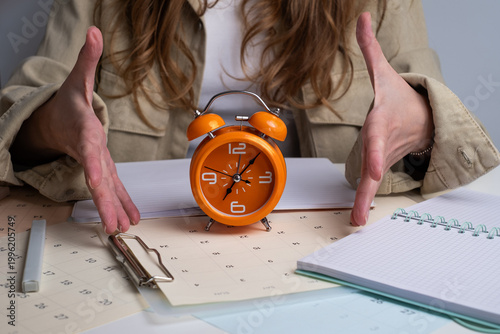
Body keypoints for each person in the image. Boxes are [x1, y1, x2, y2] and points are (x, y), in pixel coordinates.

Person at [1, 0, 498, 234]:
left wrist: (421, 121)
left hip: (319, 236)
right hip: (145, 232)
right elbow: (24, 111)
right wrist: (48, 125)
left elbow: (436, 117)